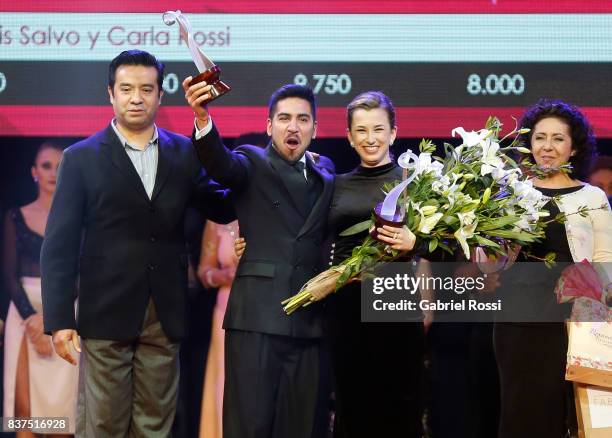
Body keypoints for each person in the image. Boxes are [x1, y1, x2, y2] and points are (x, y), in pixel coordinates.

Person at [41, 50, 234, 437]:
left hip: (165, 312)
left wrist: (204, 124)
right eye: (126, 88)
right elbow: (58, 244)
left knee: (154, 426)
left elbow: (222, 204)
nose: (136, 97)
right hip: (105, 310)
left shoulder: (184, 151)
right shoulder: (80, 158)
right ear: (110, 93)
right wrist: (60, 320)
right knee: (103, 425)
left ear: (160, 96)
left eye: (147, 89)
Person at [184, 80, 335, 438]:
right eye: (284, 118)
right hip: (256, 318)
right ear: (270, 127)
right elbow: (221, 165)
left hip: (310, 321)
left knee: (303, 427)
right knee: (249, 425)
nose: (293, 126)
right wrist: (202, 117)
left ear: (315, 128)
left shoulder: (325, 170)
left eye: (302, 119)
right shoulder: (251, 161)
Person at [493, 99, 612, 438]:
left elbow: (606, 264)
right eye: (539, 137)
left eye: (558, 138)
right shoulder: (509, 194)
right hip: (518, 319)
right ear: (528, 144)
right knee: (521, 414)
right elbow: (491, 268)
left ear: (574, 148)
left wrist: (595, 309)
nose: (547, 146)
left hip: (576, 321)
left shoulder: (592, 197)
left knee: (578, 419)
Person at [325, 91, 424, 437]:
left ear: (394, 133)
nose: (371, 139)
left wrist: (416, 242)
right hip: (345, 304)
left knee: (398, 405)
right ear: (350, 137)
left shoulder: (416, 184)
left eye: (379, 129)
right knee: (352, 404)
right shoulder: (335, 185)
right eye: (362, 131)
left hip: (395, 301)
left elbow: (447, 250)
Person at [3, 142, 77, 436]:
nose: (52, 173)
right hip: (23, 316)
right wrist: (33, 319)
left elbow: (79, 274)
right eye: (46, 166)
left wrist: (53, 319)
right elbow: (9, 276)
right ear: (34, 172)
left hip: (65, 314)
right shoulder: (14, 216)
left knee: (61, 411)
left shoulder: (77, 218)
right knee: (26, 415)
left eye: (59, 166)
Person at [198, 219, 239, 438]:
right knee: (224, 385)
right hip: (226, 312)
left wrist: (366, 314)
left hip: (258, 310)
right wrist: (226, 276)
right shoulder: (218, 222)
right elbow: (204, 270)